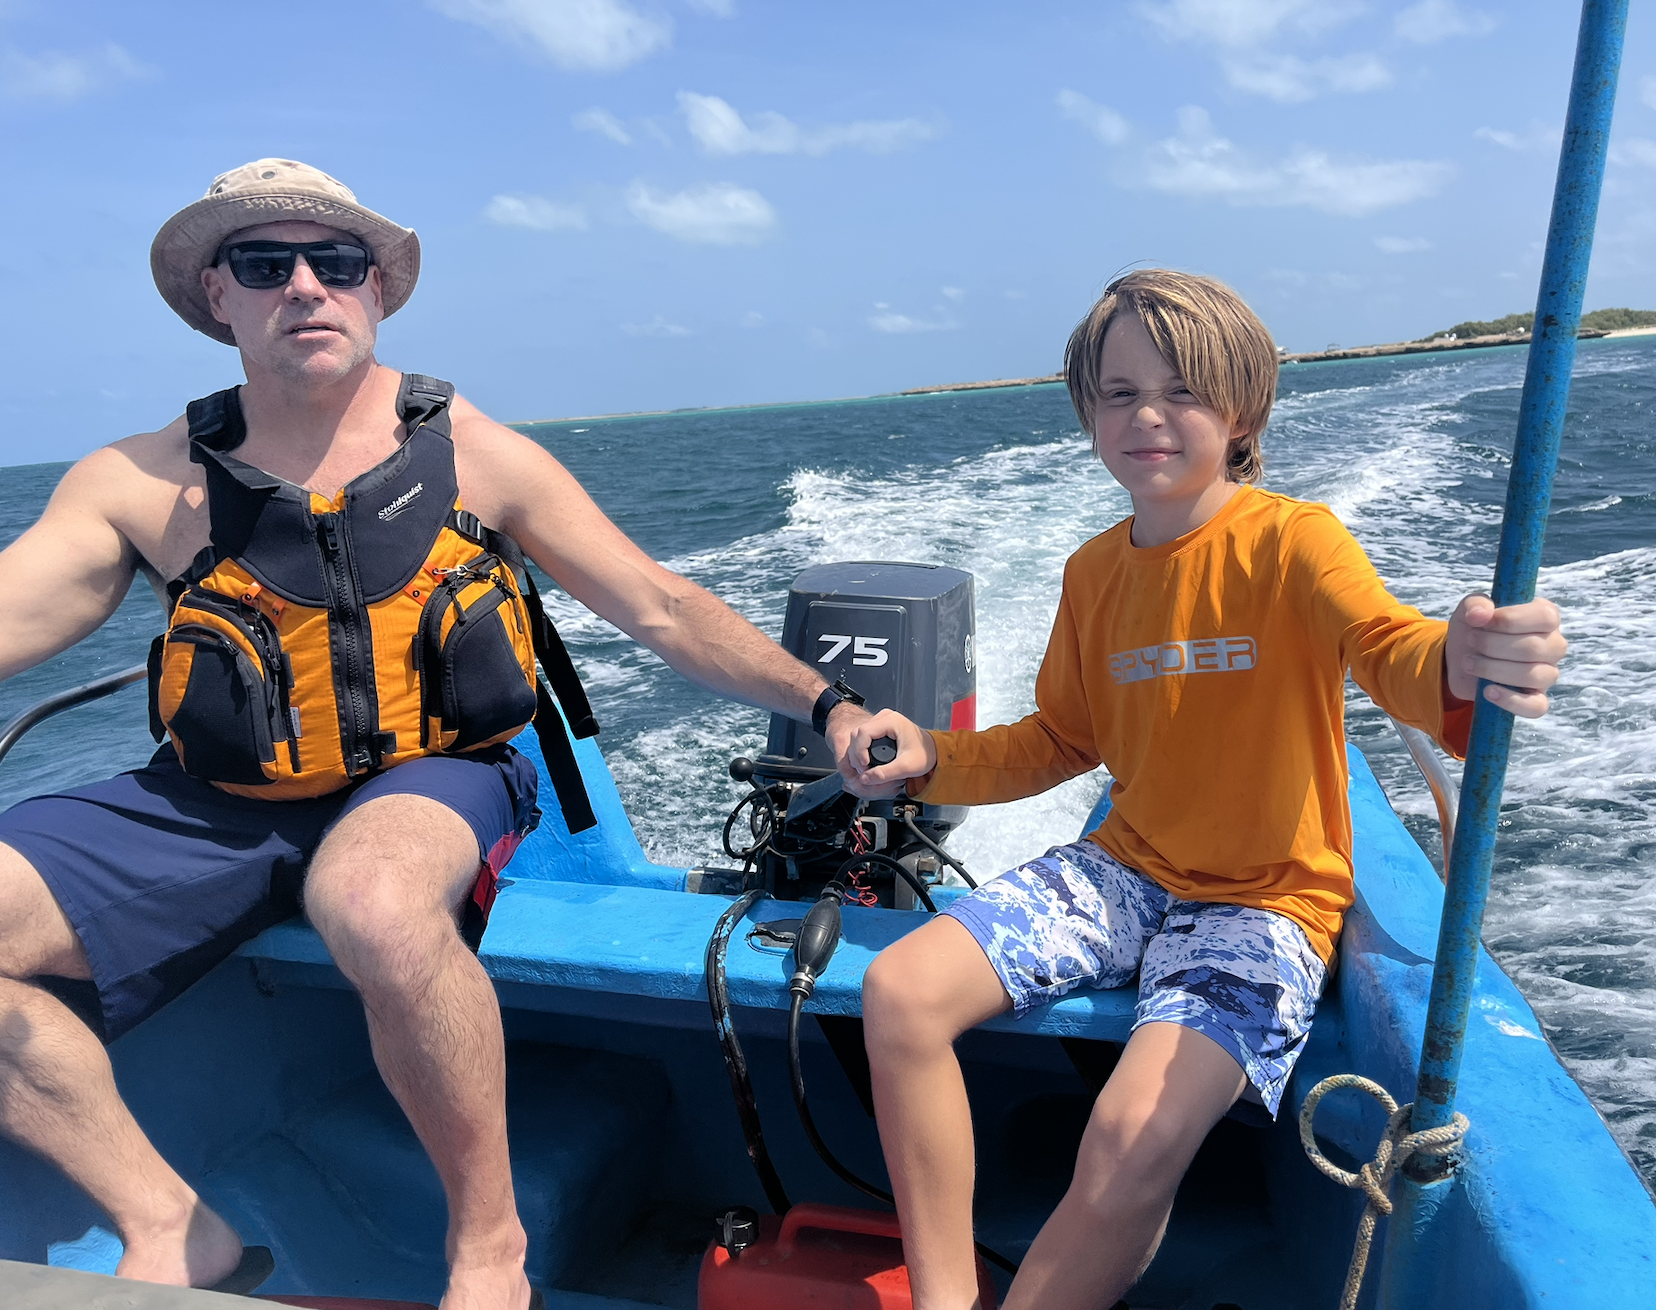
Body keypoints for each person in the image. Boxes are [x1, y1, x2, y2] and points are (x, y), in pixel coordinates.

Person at [0, 159, 874, 1310]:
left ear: (376, 289)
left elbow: (659, 605)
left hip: (434, 771)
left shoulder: (477, 450)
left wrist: (831, 706)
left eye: (336, 262)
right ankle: (171, 1219)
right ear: (219, 295)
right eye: (266, 264)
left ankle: (488, 1244)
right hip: (221, 798)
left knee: (369, 896)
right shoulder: (136, 480)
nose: (305, 287)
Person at [839, 269, 1568, 1310]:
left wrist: (1464, 655)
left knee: (1132, 1131)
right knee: (900, 992)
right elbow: (1059, 739)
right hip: (1127, 865)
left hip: (1267, 898)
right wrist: (928, 758)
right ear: (1086, 411)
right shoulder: (1093, 572)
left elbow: (1388, 646)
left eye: (1182, 390)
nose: (1148, 415)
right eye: (1119, 391)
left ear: (1242, 410)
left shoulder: (1292, 541)